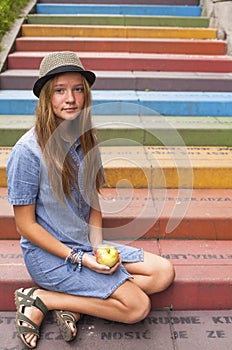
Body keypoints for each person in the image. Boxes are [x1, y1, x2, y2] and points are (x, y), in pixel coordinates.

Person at [7, 51, 175, 349]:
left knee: (162, 273)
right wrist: (79, 258)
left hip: (84, 245)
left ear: (86, 95)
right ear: (47, 97)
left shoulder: (87, 139)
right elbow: (25, 226)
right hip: (49, 257)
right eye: (60, 90)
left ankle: (76, 303)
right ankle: (42, 297)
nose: (69, 98)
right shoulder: (28, 152)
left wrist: (97, 247)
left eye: (77, 89)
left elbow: (93, 204)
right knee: (137, 307)